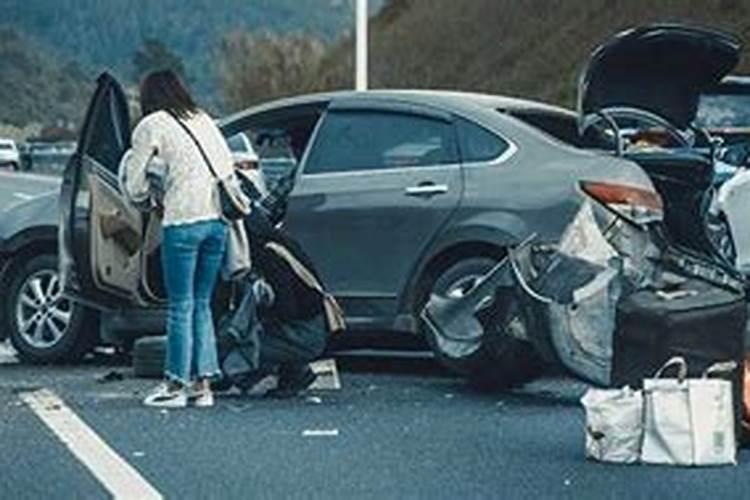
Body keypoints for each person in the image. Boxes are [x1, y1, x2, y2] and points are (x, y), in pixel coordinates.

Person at [120, 69, 235, 408]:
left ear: (148, 97)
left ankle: (174, 386)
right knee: (202, 303)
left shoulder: (151, 124)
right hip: (218, 222)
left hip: (183, 222)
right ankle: (203, 386)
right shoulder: (203, 118)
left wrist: (152, 198)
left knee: (180, 305)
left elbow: (134, 185)